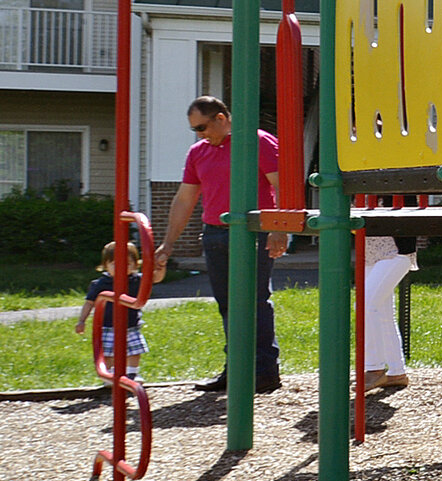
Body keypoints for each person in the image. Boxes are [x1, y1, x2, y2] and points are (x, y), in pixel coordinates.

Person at [156, 95, 286, 394]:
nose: (199, 134)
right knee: (228, 305)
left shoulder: (258, 142)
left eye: (202, 127)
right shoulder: (198, 153)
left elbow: (282, 184)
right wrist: (168, 244)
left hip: (254, 232)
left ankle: (265, 371)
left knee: (255, 301)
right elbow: (184, 199)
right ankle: (237, 369)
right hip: (214, 233)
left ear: (221, 118)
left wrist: (280, 228)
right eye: (194, 130)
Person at [75, 241, 148, 377]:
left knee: (134, 350)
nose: (121, 268)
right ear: (105, 266)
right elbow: (89, 302)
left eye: (127, 264)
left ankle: (132, 373)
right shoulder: (101, 283)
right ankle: (110, 375)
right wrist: (82, 321)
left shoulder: (136, 280)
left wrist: (160, 268)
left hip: (131, 325)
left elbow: (155, 278)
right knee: (108, 352)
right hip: (108, 324)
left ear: (135, 265)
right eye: (115, 264)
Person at [364, 232, 418, 390]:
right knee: (383, 313)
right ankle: (397, 371)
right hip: (371, 255)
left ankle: (374, 368)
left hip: (397, 253)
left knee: (365, 306)